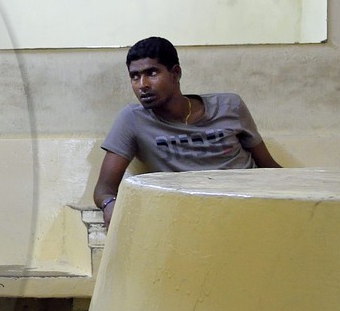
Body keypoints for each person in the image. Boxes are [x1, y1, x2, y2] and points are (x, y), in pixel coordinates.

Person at [94, 36, 280, 224]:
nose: (142, 85)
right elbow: (104, 189)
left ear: (175, 73)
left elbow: (269, 167)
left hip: (251, 206)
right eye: (135, 76)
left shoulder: (229, 106)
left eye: (151, 73)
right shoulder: (133, 119)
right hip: (193, 216)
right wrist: (110, 204)